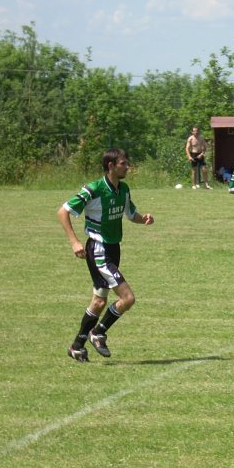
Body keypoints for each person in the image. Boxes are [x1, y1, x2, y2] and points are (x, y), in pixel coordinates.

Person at [58, 148, 155, 362]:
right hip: (98, 250)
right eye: (123, 164)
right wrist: (74, 242)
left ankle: (77, 346)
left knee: (99, 302)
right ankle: (98, 332)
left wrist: (144, 219)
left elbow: (130, 214)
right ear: (110, 166)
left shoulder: (124, 189)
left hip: (113, 248)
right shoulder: (94, 189)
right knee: (128, 298)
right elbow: (63, 211)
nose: (127, 167)